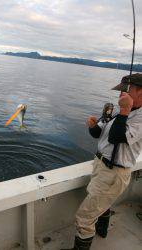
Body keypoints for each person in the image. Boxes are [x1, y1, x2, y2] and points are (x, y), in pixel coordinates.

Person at [62, 73, 142, 250]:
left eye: (126, 91)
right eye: (121, 91)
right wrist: (93, 126)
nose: (121, 95)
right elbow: (100, 134)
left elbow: (116, 137)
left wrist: (125, 111)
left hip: (114, 173)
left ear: (140, 91)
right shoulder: (120, 112)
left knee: (84, 218)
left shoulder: (137, 116)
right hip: (101, 166)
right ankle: (102, 230)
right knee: (101, 203)